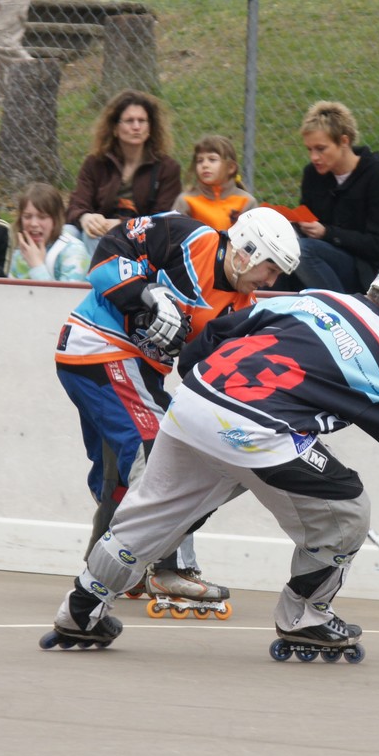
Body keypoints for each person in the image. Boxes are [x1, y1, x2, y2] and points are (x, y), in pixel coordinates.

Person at [40, 255, 379, 651]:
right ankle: (305, 616)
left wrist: (209, 390)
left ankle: (81, 610)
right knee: (348, 510)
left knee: (149, 511)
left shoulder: (311, 299)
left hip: (194, 402)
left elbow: (217, 333)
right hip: (253, 430)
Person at [54, 207, 301, 604]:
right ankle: (168, 568)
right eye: (270, 268)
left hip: (137, 371)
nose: (272, 281)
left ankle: (103, 566)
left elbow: (202, 370)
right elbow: (108, 252)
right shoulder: (189, 236)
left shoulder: (242, 309)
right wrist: (146, 294)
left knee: (119, 478)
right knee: (162, 454)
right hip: (100, 346)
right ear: (248, 251)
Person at [291, 100, 379, 293]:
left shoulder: (376, 177)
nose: (314, 157)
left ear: (344, 142)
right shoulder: (312, 175)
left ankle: (338, 308)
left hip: (368, 272)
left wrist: (327, 233)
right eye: (309, 149)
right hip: (325, 262)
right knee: (281, 252)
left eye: (321, 149)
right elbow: (307, 218)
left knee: (304, 251)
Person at [67, 90, 181, 242]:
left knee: (95, 236)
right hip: (98, 230)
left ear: (150, 128)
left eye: (142, 121)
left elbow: (162, 220)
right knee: (67, 233)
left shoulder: (167, 168)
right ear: (114, 128)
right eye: (129, 121)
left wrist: (121, 224)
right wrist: (85, 217)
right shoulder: (95, 163)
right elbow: (77, 203)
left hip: (142, 240)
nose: (136, 127)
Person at [172, 134, 258, 230]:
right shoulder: (186, 200)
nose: (204, 165)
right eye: (200, 161)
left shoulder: (246, 202)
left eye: (212, 160)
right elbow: (174, 235)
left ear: (231, 167)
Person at [9, 182, 90, 282]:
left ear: (55, 220)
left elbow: (67, 292)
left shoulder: (74, 252)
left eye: (42, 217)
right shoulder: (20, 253)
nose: (33, 224)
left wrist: (37, 266)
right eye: (27, 216)